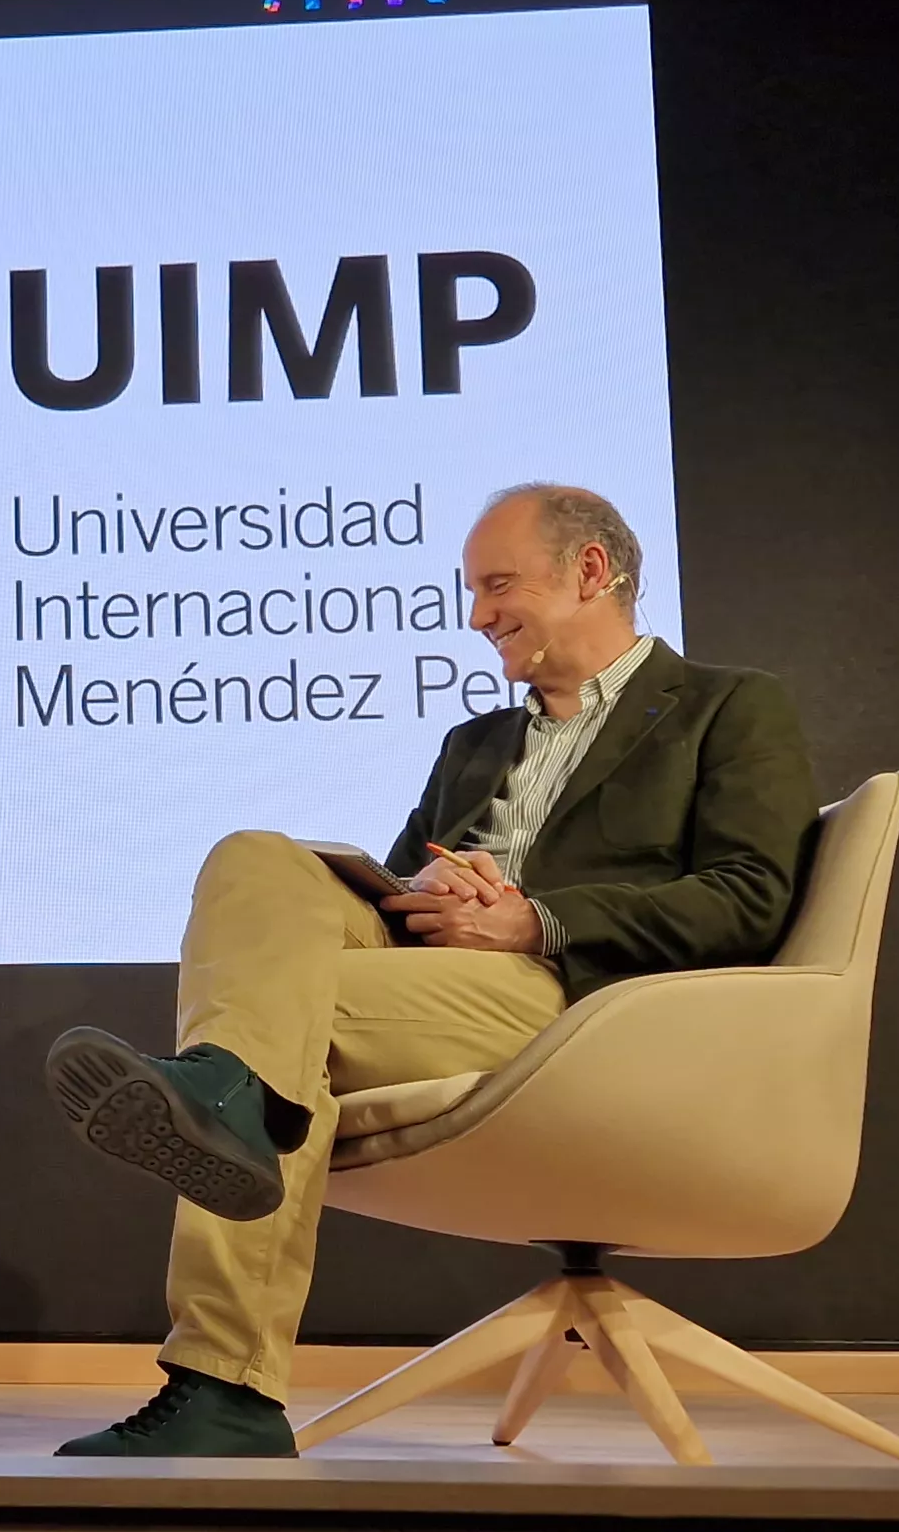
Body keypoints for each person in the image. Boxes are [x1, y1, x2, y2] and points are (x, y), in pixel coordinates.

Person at [44, 484, 817, 1457]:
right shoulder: (475, 744)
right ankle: (233, 1099)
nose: (476, 615)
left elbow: (750, 898)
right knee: (255, 858)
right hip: (444, 978)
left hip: (580, 1010)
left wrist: (533, 920)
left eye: (498, 585)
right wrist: (429, 897)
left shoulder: (725, 708)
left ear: (591, 571)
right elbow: (402, 887)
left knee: (279, 1027)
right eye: (470, 591)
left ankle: (223, 1382)